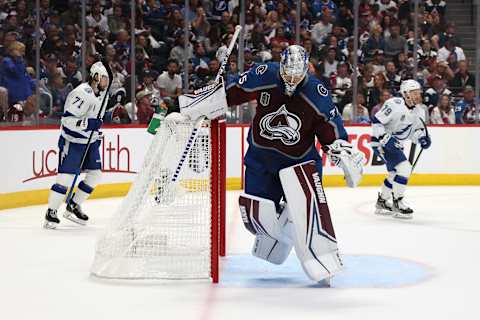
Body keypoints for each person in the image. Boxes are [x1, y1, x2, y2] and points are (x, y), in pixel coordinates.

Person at [225, 45, 364, 283]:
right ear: (281, 67)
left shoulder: (316, 92)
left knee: (307, 214)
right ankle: (285, 227)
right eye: (287, 73)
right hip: (261, 159)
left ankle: (324, 260)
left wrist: (343, 151)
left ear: (306, 70)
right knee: (256, 216)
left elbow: (331, 130)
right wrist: (221, 82)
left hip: (300, 163)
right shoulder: (265, 74)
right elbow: (232, 91)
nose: (290, 79)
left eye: (296, 75)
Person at [43, 61, 110, 229]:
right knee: (65, 178)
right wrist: (87, 124)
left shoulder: (104, 95)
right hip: (72, 141)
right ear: (95, 77)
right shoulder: (80, 93)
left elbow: (97, 117)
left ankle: (73, 205)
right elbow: (67, 120)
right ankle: (51, 212)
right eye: (103, 79)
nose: (106, 83)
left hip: (91, 141)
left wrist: (98, 124)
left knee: (95, 175)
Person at [371, 80, 432, 219]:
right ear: (405, 94)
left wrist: (421, 138)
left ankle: (382, 201)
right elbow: (377, 121)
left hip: (396, 144)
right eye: (414, 93)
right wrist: (382, 139)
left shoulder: (419, 111)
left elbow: (413, 132)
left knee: (394, 174)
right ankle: (397, 202)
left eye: (418, 92)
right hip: (383, 142)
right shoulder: (394, 104)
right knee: (404, 169)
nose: (418, 95)